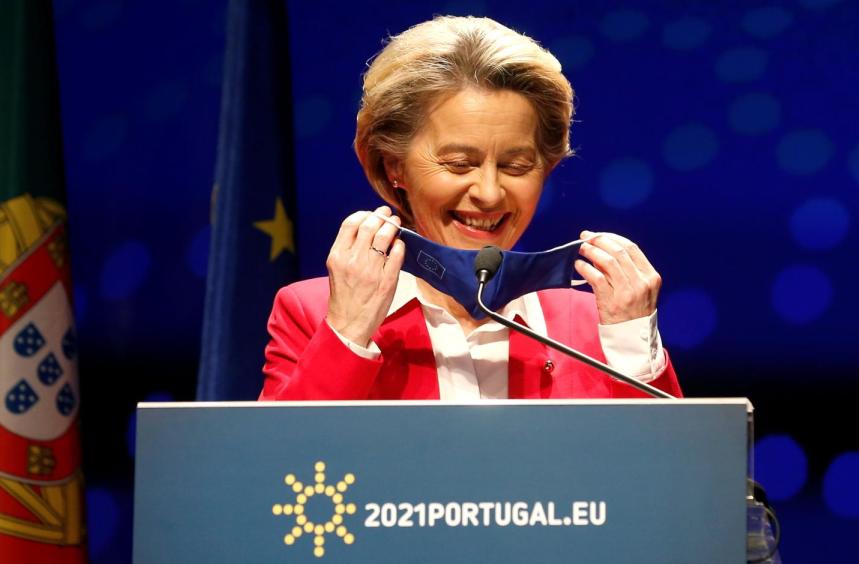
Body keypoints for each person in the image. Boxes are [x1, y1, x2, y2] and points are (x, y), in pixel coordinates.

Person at [259, 16, 680, 401]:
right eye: (459, 164)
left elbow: (672, 476)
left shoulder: (599, 324)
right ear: (395, 167)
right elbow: (277, 475)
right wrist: (349, 333)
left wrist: (632, 342)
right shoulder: (313, 313)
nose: (490, 193)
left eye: (517, 166)